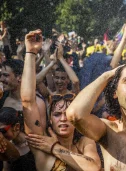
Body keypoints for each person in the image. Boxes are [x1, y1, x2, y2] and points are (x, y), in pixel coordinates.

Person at [21, 29, 101, 171]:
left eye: (67, 114)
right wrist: (30, 52)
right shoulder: (41, 144)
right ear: (50, 119)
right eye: (57, 114)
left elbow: (93, 168)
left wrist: (55, 148)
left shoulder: (85, 142)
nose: (63, 119)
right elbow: (28, 101)